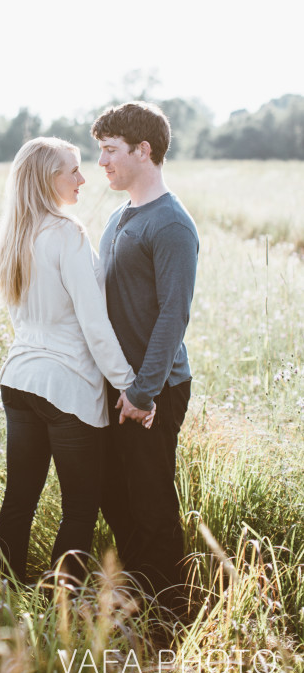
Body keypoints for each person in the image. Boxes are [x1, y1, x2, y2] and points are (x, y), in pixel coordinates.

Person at [0, 136, 154, 588]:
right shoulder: (66, 233)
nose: (83, 178)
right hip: (66, 387)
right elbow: (94, 325)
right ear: (48, 179)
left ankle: (4, 598)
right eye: (73, 170)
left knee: (19, 500)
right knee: (80, 508)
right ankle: (61, 612)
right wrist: (129, 385)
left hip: (18, 380)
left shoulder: (15, 233)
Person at [91, 101, 199, 621]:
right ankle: (137, 600)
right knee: (115, 495)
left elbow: (173, 316)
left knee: (151, 503)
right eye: (100, 152)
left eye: (111, 151)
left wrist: (142, 392)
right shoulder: (120, 215)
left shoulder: (171, 225)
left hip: (154, 388)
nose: (102, 163)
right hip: (122, 385)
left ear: (144, 150)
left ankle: (169, 619)